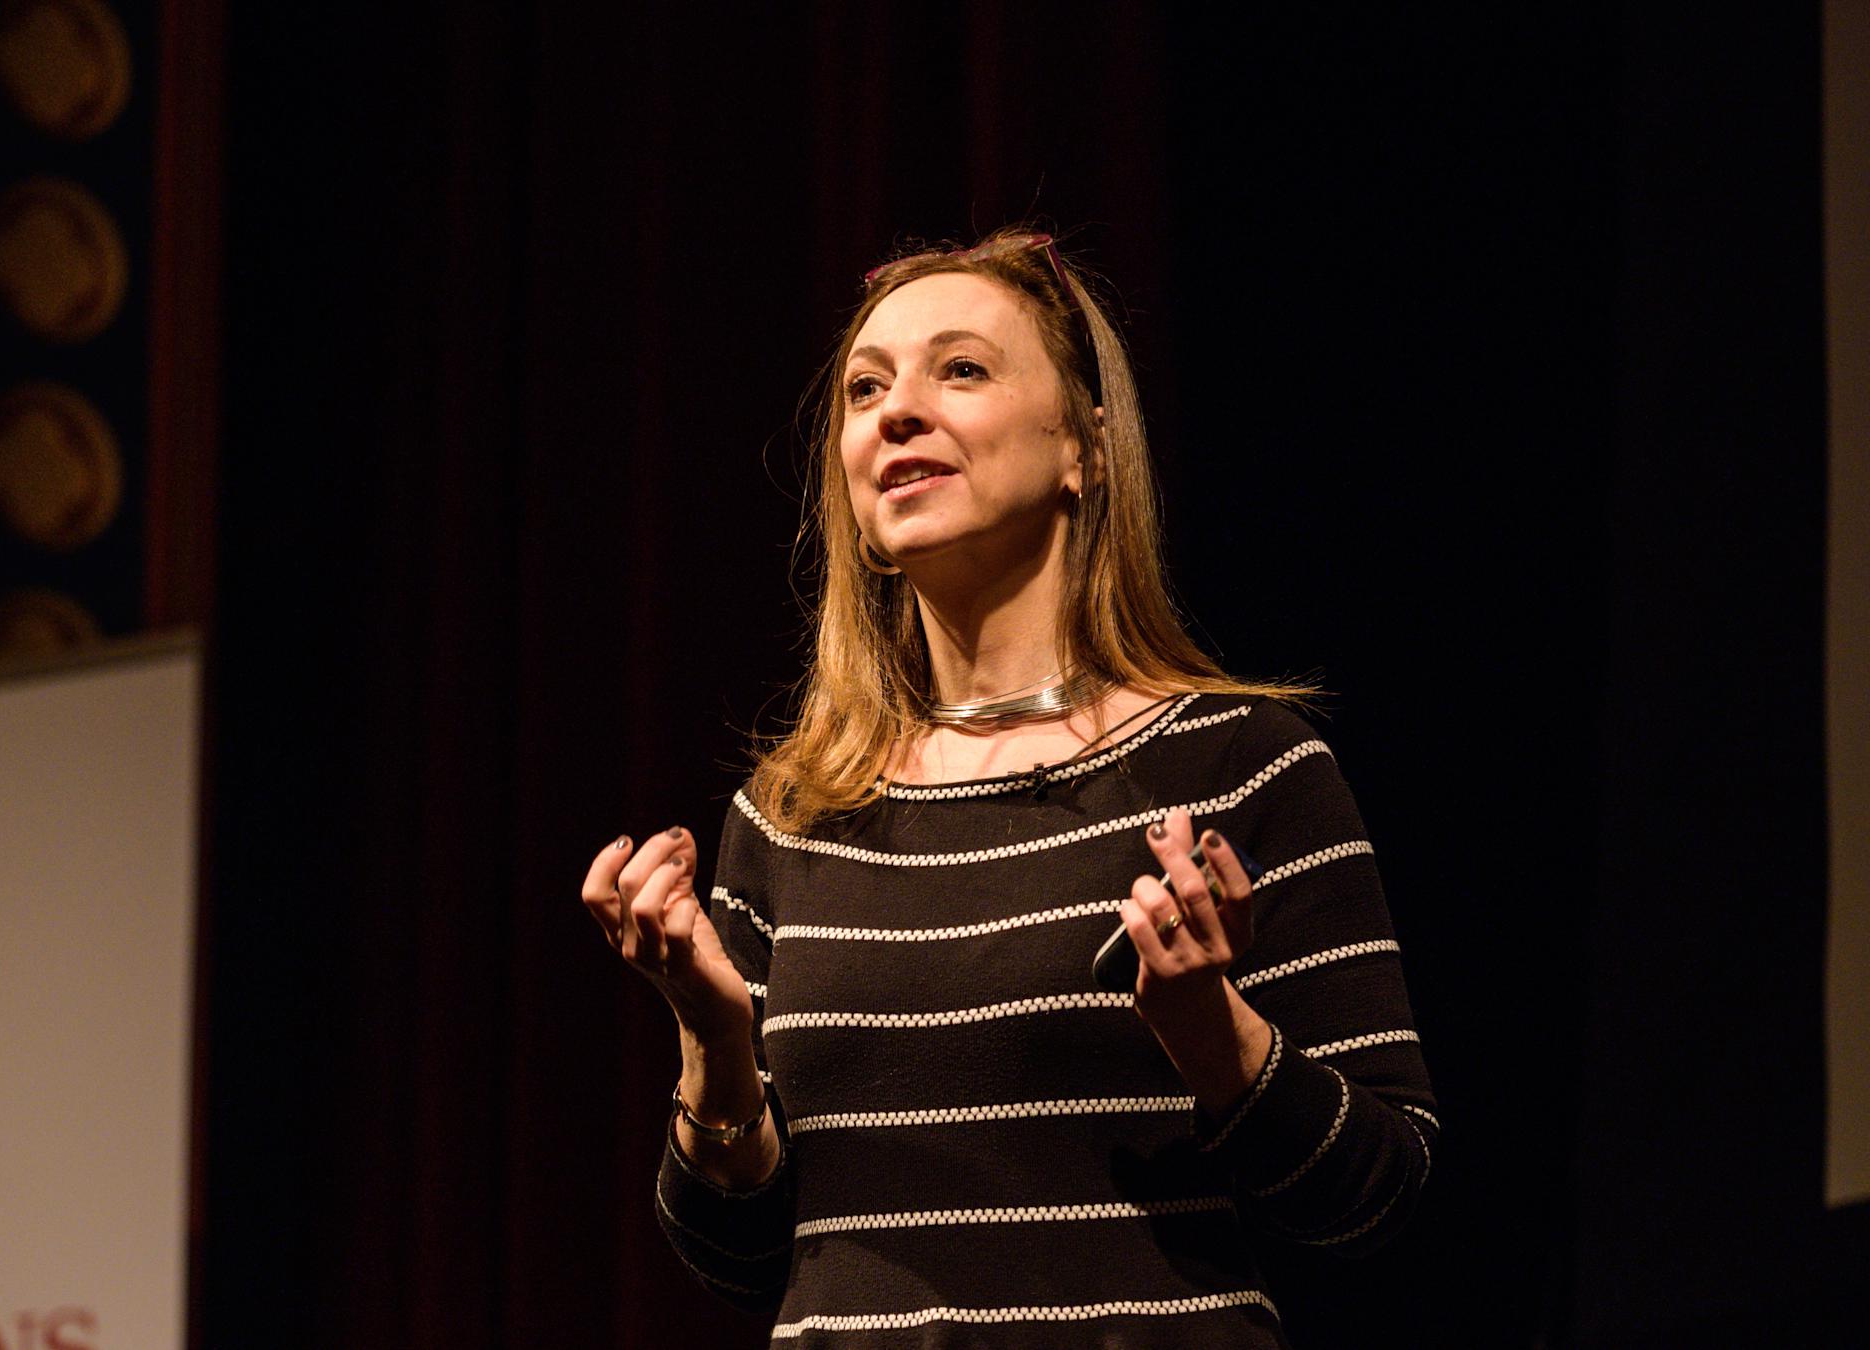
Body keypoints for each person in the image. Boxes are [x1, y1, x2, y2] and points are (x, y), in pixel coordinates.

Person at [577, 228, 1435, 1346]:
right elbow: (738, 1258)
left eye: (962, 369)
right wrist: (714, 1043)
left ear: (1083, 444)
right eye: (865, 387)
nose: (896, 411)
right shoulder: (790, 818)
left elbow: (1379, 1197)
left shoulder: (1239, 764)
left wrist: (1209, 1028)